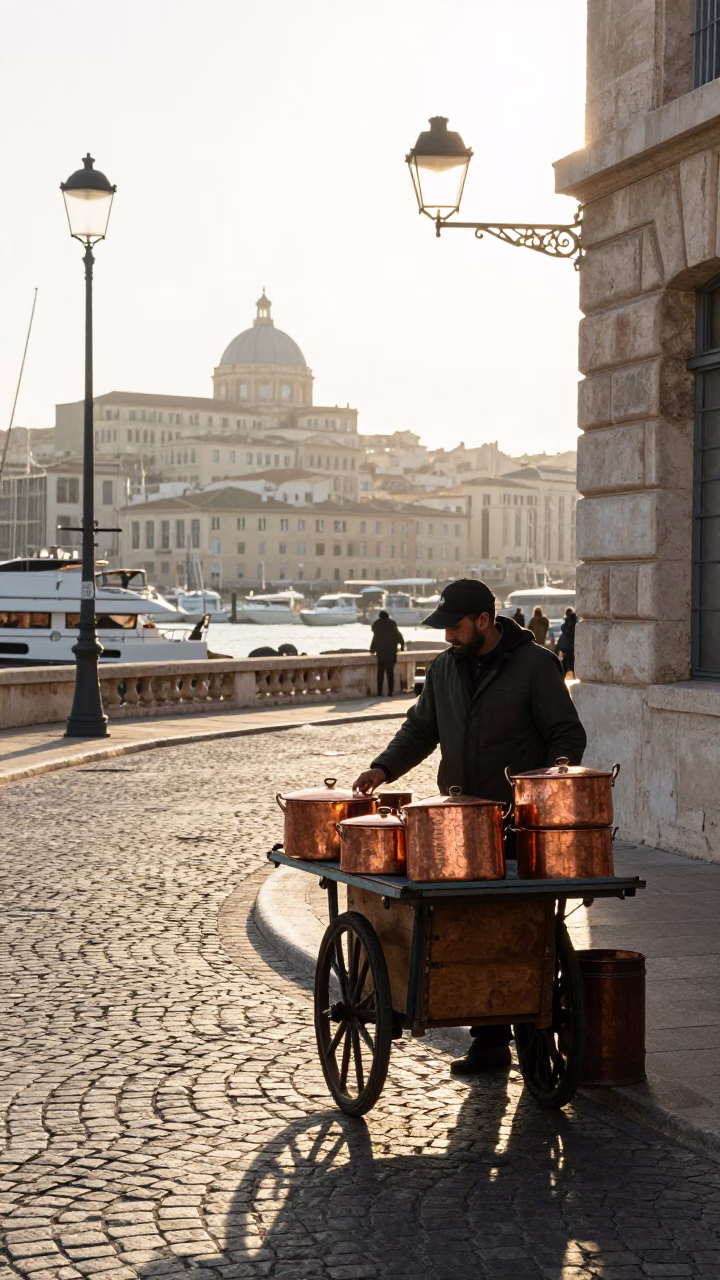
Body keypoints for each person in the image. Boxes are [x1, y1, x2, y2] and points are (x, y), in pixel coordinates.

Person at [353, 578, 586, 1075]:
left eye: (454, 628)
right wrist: (383, 768)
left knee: (516, 929)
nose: (446, 638)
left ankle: (523, 1023)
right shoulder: (444, 669)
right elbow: (421, 728)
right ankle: (489, 1042)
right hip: (459, 826)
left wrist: (540, 796)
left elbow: (565, 737)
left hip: (519, 825)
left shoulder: (536, 666)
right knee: (467, 927)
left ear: (484, 620)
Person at [370, 610, 405, 696]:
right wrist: (402, 646)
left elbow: (375, 638)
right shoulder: (392, 624)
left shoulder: (377, 624)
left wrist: (372, 649)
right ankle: (390, 691)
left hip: (381, 653)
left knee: (380, 673)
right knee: (390, 673)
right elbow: (399, 636)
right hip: (391, 653)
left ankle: (379, 692)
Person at [557, 606, 577, 678]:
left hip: (566, 647)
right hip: (572, 647)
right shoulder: (574, 623)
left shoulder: (565, 625)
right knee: (573, 665)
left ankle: (562, 679)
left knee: (565, 665)